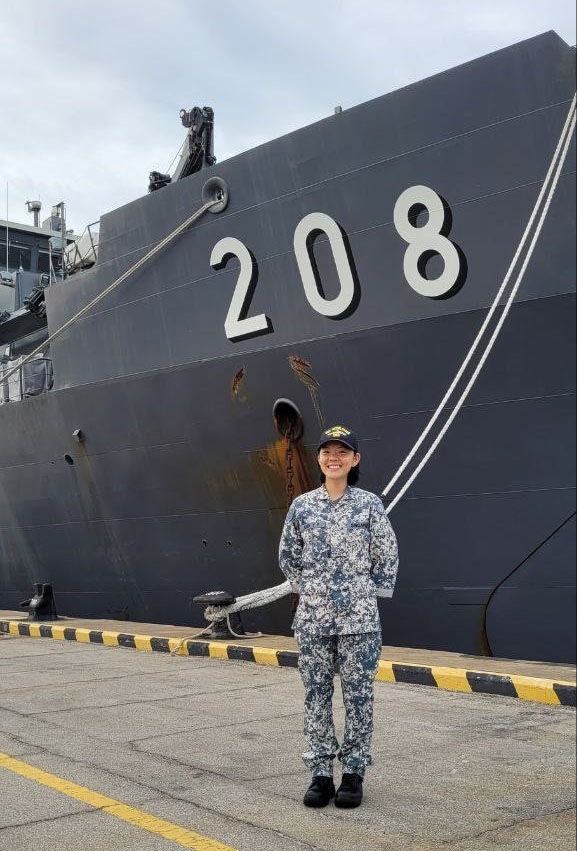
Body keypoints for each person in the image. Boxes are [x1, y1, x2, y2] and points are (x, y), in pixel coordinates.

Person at [279, 424, 399, 809]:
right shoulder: (302, 506)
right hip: (313, 620)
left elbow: (386, 553)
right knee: (316, 695)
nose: (334, 458)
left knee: (358, 697)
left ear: (354, 459)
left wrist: (365, 594)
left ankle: (353, 774)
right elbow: (288, 555)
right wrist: (312, 588)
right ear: (319, 459)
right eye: (328, 452)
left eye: (342, 452)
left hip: (359, 622)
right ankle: (320, 774)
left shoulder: (369, 505)